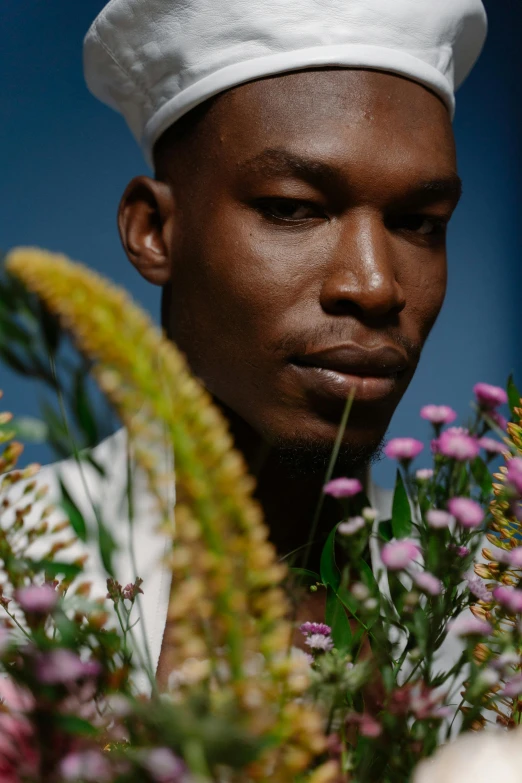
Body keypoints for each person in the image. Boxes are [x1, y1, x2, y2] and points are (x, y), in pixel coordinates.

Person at [9, 0, 489, 687]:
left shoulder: (495, 606)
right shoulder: (15, 570)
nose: (377, 284)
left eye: (418, 222)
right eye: (293, 208)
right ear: (153, 230)